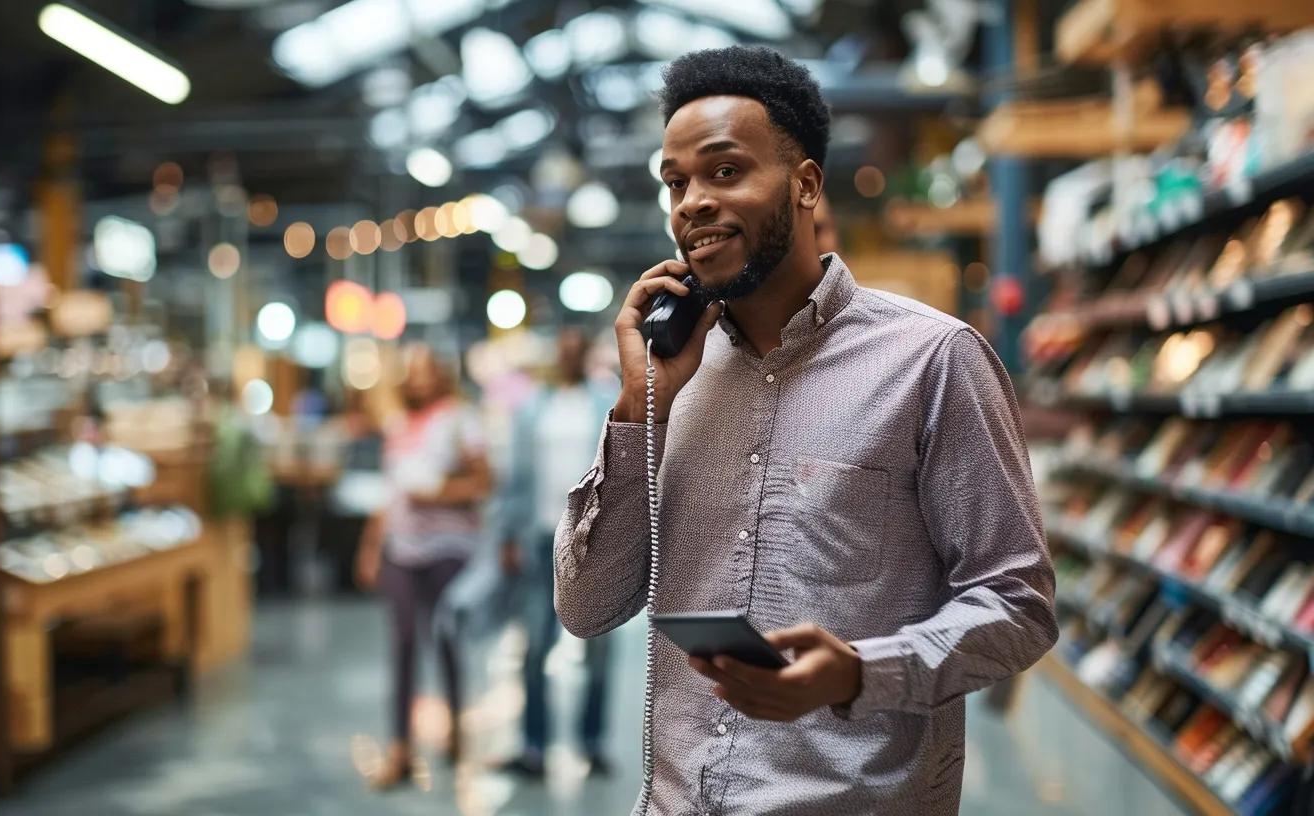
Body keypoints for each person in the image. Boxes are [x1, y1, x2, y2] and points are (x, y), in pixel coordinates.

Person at [553, 45, 1057, 815]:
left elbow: (1018, 604)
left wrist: (860, 672)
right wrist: (637, 405)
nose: (692, 203)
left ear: (806, 185)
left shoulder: (931, 361)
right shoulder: (672, 378)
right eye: (676, 183)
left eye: (725, 171)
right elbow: (586, 609)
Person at [354, 343, 492, 789]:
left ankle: (455, 728)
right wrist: (371, 546)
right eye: (410, 372)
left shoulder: (460, 420)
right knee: (402, 643)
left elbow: (484, 481)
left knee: (446, 638)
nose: (417, 380)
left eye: (425, 371)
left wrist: (437, 494)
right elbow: (390, 492)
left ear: (440, 375)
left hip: (448, 548)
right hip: (401, 548)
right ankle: (400, 748)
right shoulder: (398, 426)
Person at [498, 327, 621, 778]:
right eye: (562, 351)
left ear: (584, 355)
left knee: (599, 649)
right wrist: (508, 535)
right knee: (534, 647)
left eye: (575, 350)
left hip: (592, 540)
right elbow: (514, 476)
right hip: (539, 540)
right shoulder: (533, 407)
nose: (568, 357)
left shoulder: (604, 401)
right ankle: (534, 746)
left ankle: (592, 742)